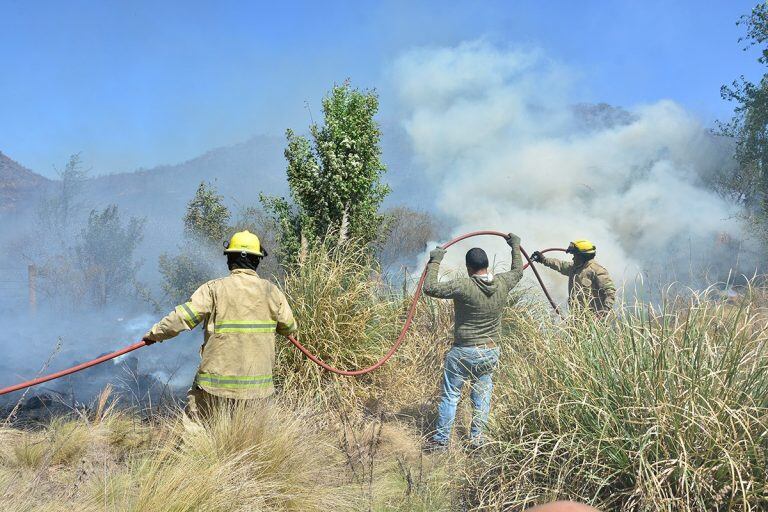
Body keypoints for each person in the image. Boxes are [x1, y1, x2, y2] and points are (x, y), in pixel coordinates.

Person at [142, 230, 297, 418]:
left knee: (198, 431)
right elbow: (289, 327)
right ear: (256, 261)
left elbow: (182, 317)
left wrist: (154, 334)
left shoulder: (213, 289)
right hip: (258, 390)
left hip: (215, 386)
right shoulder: (272, 292)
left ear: (230, 259)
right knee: (252, 441)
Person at [422, 233, 523, 451]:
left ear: (469, 268)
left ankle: (440, 441)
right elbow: (518, 272)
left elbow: (429, 288)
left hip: (462, 352)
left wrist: (436, 259)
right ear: (486, 265)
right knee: (482, 397)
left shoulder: (463, 285)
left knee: (451, 397)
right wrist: (515, 246)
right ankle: (477, 441)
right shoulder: (503, 283)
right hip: (489, 351)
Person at [530, 239, 615, 317]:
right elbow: (560, 265)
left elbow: (610, 293)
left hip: (594, 319)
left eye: (575, 255)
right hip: (576, 317)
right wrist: (543, 260)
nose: (573, 258)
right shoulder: (575, 268)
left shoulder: (598, 271)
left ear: (583, 257)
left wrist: (603, 312)